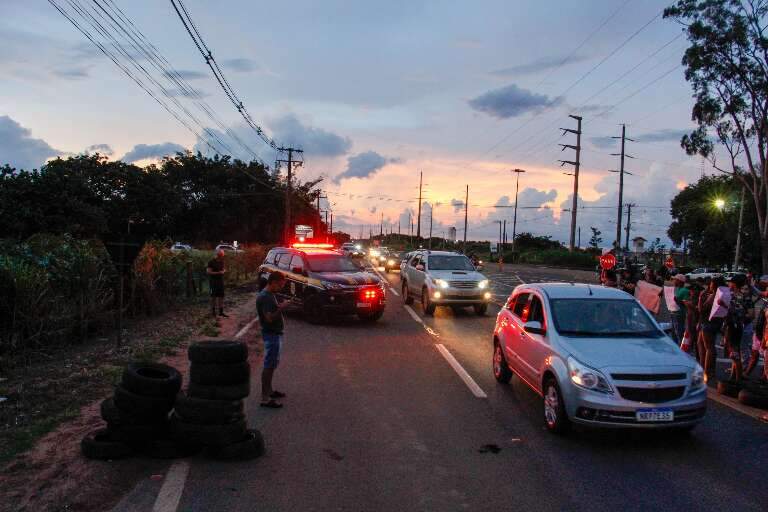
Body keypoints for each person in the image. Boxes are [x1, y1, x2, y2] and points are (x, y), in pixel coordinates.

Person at [256, 271, 289, 409]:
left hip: (274, 334)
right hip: (272, 335)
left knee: (272, 364)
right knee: (269, 366)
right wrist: (281, 308)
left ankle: (269, 391)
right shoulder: (266, 297)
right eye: (280, 285)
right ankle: (265, 398)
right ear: (274, 282)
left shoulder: (270, 295)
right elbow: (269, 318)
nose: (281, 288)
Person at [206, 249, 227, 318]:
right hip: (213, 282)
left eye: (222, 255)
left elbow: (224, 269)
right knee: (213, 297)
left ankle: (221, 312)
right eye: (220, 255)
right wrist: (218, 273)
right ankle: (213, 312)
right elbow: (208, 272)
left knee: (221, 296)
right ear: (217, 255)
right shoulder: (211, 262)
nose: (221, 256)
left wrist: (223, 271)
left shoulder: (222, 262)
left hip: (220, 281)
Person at [671, 274, 689, 343]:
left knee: (679, 332)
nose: (673, 281)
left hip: (679, 314)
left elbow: (686, 304)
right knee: (674, 333)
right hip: (673, 313)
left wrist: (677, 300)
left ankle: (681, 348)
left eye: (675, 280)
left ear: (679, 281)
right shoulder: (678, 289)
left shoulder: (685, 290)